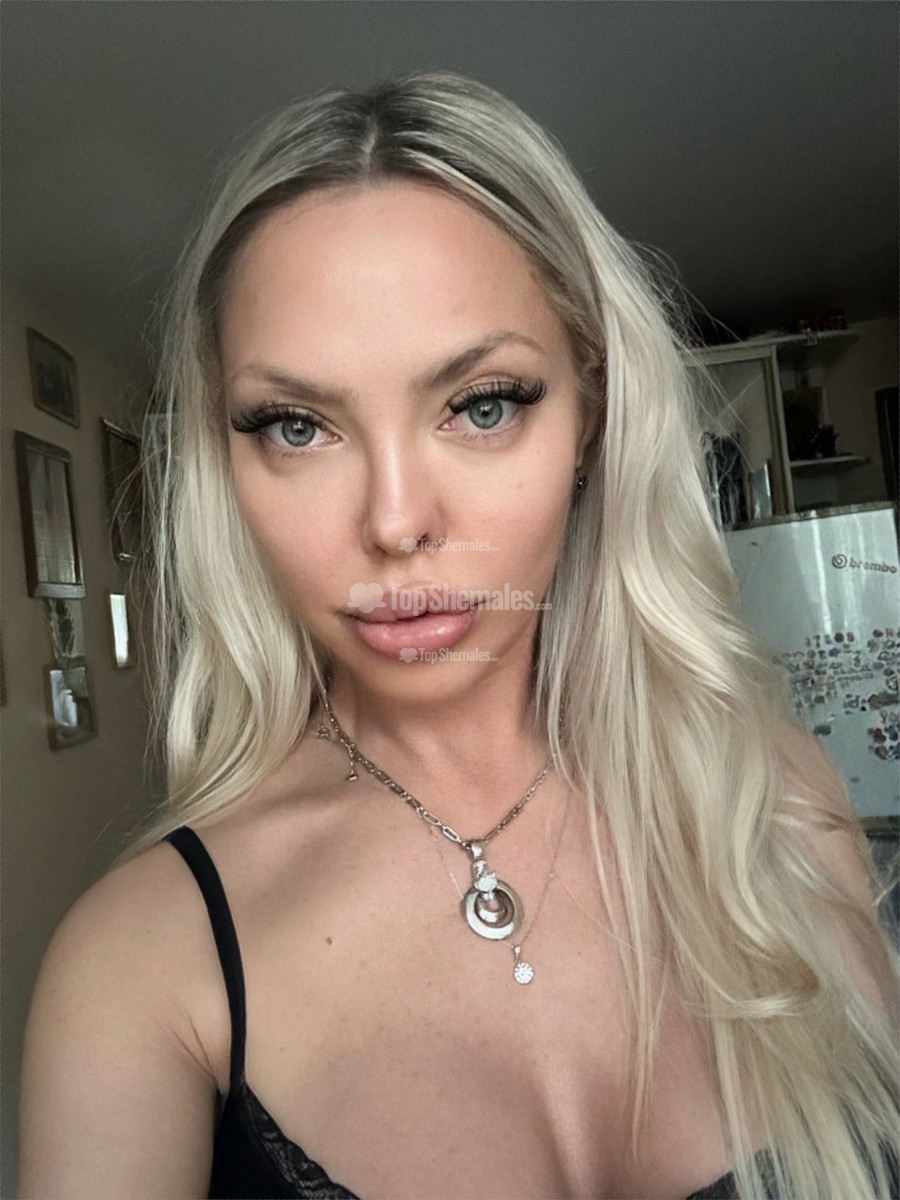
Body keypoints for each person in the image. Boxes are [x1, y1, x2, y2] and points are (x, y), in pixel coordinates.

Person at [16, 71, 898, 1200]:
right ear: (224, 465)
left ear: (592, 413)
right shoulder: (142, 970)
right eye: (297, 426)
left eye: (482, 405)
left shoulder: (781, 808)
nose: (395, 523)